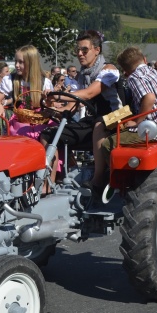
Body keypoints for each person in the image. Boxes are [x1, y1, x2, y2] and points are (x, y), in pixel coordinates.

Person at [39, 30, 122, 192]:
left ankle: (98, 179)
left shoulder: (109, 70)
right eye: (77, 50)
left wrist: (57, 96)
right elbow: (74, 103)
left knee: (100, 123)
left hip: (120, 114)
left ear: (97, 50)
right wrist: (53, 108)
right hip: (95, 118)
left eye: (84, 50)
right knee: (49, 134)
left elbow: (89, 93)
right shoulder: (83, 74)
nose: (79, 54)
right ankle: (47, 186)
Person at [103, 46, 157, 156]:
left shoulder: (135, 77)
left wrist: (137, 122)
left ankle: (107, 173)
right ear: (144, 59)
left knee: (107, 144)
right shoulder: (155, 72)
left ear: (124, 69)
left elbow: (150, 98)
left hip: (154, 130)